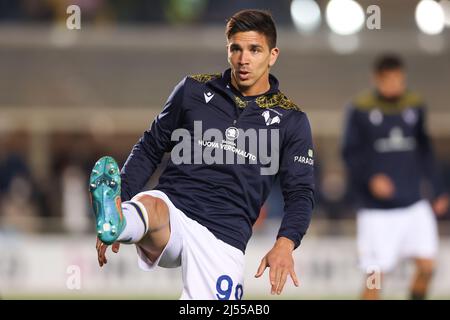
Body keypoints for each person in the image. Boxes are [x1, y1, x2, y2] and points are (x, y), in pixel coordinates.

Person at [90, 9, 315, 300]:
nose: (243, 59)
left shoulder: (291, 119)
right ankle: (117, 221)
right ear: (227, 50)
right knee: (150, 204)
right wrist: (121, 195)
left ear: (272, 55)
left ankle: (122, 223)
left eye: (254, 50)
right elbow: (150, 147)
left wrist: (286, 242)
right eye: (236, 48)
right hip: (175, 208)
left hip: (224, 234)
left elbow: (300, 192)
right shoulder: (193, 90)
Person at [342, 54, 449, 300]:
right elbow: (349, 153)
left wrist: (438, 189)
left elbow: (425, 151)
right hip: (376, 211)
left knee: (427, 266)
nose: (395, 85)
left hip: (413, 204)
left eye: (399, 80)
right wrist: (371, 178)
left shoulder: (415, 104)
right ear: (377, 79)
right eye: (389, 80)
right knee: (375, 278)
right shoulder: (360, 108)